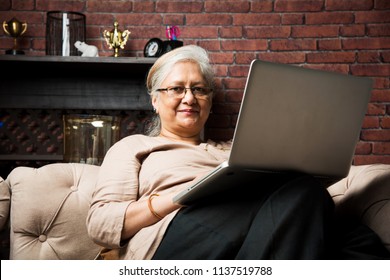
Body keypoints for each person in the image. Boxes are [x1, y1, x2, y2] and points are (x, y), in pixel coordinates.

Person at [86, 45, 337, 260]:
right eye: (176, 89)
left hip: (255, 230)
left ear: (210, 101)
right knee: (304, 193)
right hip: (178, 236)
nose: (189, 98)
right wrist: (181, 195)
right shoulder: (134, 147)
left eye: (199, 89)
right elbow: (100, 223)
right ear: (155, 100)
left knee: (346, 230)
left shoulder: (235, 149)